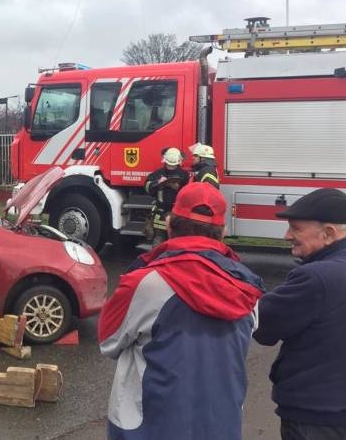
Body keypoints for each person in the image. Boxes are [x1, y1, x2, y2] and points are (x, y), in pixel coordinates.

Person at [98, 183, 265, 439]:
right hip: (222, 427)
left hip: (148, 428)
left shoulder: (145, 283)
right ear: (223, 232)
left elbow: (109, 342)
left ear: (169, 224)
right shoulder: (248, 289)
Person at [254, 188, 346, 440]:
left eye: (296, 228)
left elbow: (263, 327)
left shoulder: (316, 277)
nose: (287, 236)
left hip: (316, 415)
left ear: (328, 233)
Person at [144, 147, 189, 245]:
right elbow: (147, 187)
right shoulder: (158, 174)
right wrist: (157, 183)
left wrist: (177, 187)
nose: (170, 167)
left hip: (177, 214)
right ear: (179, 160)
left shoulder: (185, 175)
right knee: (160, 240)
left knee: (172, 241)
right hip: (162, 213)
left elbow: (189, 193)